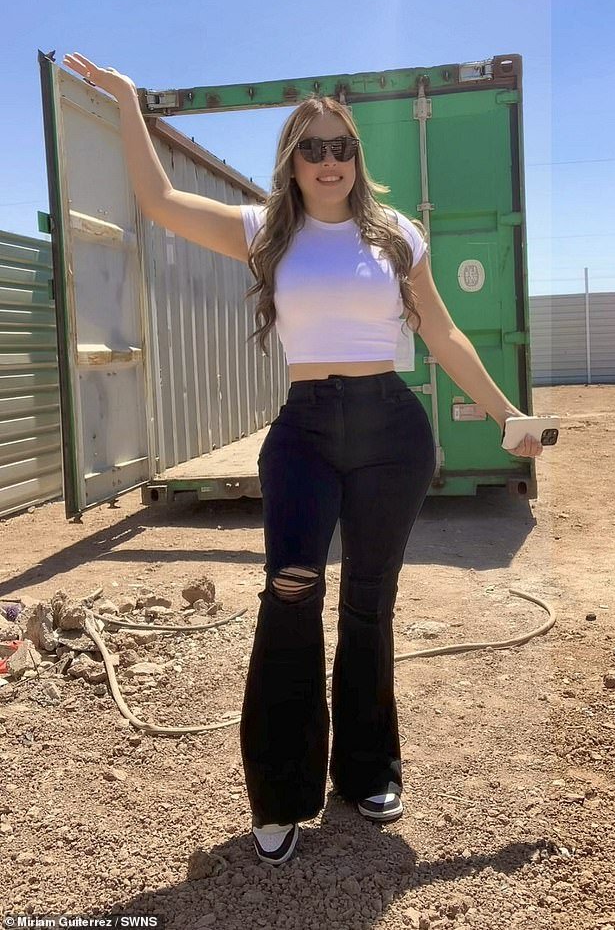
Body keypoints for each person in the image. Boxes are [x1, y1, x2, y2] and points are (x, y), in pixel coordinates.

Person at [63, 53, 544, 867]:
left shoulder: (398, 235)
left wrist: (508, 412)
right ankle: (282, 792)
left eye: (341, 147)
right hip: (306, 432)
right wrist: (126, 104)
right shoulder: (265, 230)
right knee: (290, 593)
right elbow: (159, 202)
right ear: (292, 161)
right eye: (312, 148)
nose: (329, 161)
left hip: (392, 430)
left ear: (357, 156)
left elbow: (442, 331)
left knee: (370, 602)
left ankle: (368, 771)